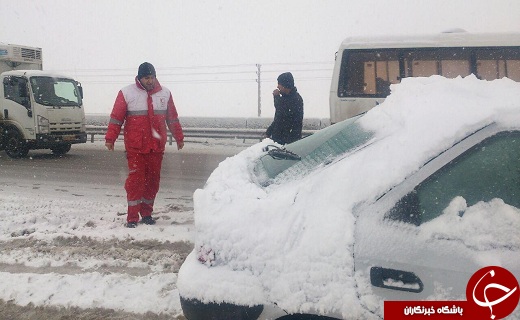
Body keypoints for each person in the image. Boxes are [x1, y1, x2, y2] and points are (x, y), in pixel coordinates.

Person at [105, 62, 184, 228]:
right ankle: (132, 217)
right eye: (147, 78)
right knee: (136, 182)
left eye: (152, 77)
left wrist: (179, 137)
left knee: (152, 182)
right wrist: (110, 138)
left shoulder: (165, 93)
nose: (150, 81)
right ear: (139, 78)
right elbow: (116, 118)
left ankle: (147, 213)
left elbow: (172, 118)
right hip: (136, 147)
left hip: (156, 146)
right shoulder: (126, 93)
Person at [265, 72, 304, 145]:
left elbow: (283, 112)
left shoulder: (295, 99)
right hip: (278, 139)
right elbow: (278, 117)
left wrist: (276, 97)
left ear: (285, 85)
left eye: (279, 84)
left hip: (287, 141)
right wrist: (269, 131)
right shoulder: (284, 97)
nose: (277, 86)